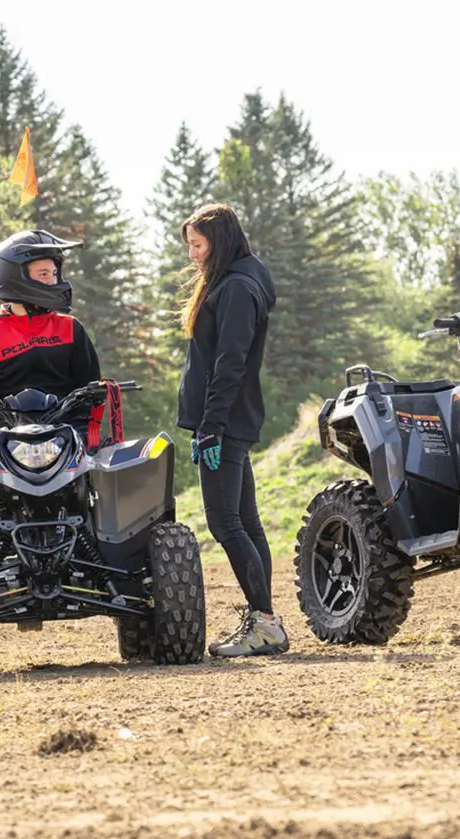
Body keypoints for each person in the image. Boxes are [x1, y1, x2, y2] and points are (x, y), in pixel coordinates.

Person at [173, 203, 284, 658]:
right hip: (229, 420)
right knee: (247, 522)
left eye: (198, 245)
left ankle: (264, 623)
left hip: (224, 422)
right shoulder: (237, 278)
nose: (194, 255)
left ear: (218, 240)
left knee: (225, 522)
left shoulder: (238, 287)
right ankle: (267, 622)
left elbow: (230, 363)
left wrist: (211, 428)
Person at [0, 229, 103, 446]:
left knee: (116, 467)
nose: (53, 281)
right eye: (43, 274)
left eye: (54, 274)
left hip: (68, 441)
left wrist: (77, 430)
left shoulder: (72, 328)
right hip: (5, 444)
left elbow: (93, 391)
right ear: (14, 276)